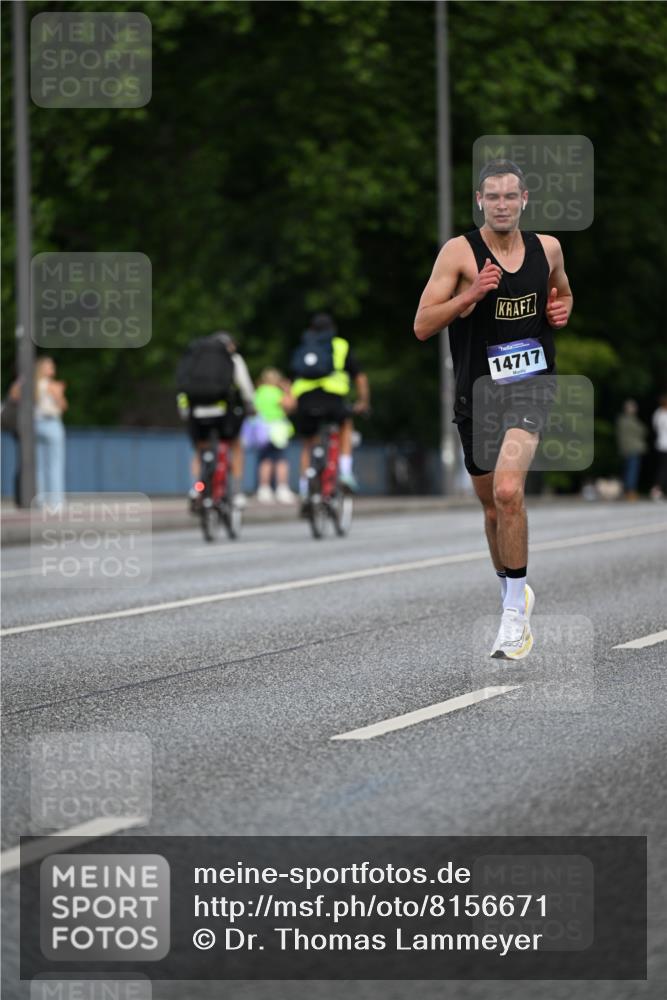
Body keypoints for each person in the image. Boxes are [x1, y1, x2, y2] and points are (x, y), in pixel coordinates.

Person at [414, 158, 572, 660]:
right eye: (493, 197)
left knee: (508, 491)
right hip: (476, 394)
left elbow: (562, 294)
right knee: (489, 506)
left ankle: (512, 618)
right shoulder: (459, 253)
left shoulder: (547, 248)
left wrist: (563, 309)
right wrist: (471, 296)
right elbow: (421, 325)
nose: (502, 204)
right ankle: (512, 591)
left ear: (524, 200)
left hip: (530, 385)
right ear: (480, 201)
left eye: (511, 196)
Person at [287, 313, 370, 502]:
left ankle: (304, 487)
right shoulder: (340, 345)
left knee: (308, 443)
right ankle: (346, 473)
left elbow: (292, 378)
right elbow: (360, 377)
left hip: (306, 399)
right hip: (332, 398)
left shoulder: (304, 346)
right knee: (345, 426)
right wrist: (363, 402)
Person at [177, 331, 255, 508]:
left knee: (200, 449)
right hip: (222, 413)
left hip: (196, 412)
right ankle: (236, 492)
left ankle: (197, 487)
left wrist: (184, 410)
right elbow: (245, 386)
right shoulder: (232, 359)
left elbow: (182, 386)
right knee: (235, 444)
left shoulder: (195, 359)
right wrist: (250, 405)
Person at [251, 368, 296, 504]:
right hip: (277, 429)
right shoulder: (277, 392)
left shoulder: (259, 392)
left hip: (261, 430)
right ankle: (282, 488)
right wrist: (288, 390)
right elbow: (290, 405)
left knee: (265, 460)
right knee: (280, 460)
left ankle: (264, 489)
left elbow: (254, 408)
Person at [34, 356, 67, 507]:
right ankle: (56, 502)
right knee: (54, 464)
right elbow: (63, 406)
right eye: (50, 366)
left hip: (34, 425)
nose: (53, 368)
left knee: (38, 466)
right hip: (51, 424)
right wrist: (59, 392)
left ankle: (40, 501)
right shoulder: (52, 385)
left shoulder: (30, 385)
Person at [615, 399, 647, 501]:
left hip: (626, 448)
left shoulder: (622, 420)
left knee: (627, 470)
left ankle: (626, 490)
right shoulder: (630, 421)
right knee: (632, 471)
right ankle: (630, 491)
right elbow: (643, 430)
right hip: (633, 448)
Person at [650, 394, 667, 500]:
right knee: (663, 468)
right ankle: (657, 489)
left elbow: (655, 427)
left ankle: (657, 489)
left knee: (662, 468)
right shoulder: (662, 414)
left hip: (660, 443)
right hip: (664, 444)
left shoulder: (657, 413)